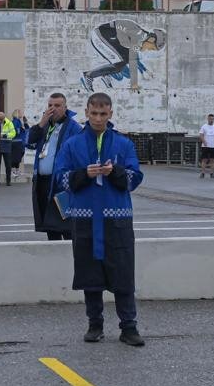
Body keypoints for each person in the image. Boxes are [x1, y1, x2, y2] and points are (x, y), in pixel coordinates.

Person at [54, 91, 145, 346]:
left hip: (117, 221)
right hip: (84, 219)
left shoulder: (123, 144)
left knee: (123, 274)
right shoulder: (72, 144)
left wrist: (114, 171)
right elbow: (60, 178)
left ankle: (129, 327)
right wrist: (84, 173)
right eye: (93, 113)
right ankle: (95, 325)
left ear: (111, 114)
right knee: (89, 274)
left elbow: (135, 178)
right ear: (86, 112)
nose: (98, 118)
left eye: (103, 114)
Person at [29, 91, 84, 240]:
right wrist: (41, 124)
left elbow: (80, 155)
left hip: (61, 185)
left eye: (57, 105)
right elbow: (28, 142)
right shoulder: (45, 126)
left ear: (65, 107)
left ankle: (70, 259)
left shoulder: (74, 128)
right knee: (50, 227)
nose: (53, 108)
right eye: (50, 105)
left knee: (66, 227)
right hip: (43, 182)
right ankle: (54, 258)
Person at [6, 109, 28, 183]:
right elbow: (15, 131)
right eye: (21, 112)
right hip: (16, 142)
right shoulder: (15, 121)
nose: (22, 114)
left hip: (20, 141)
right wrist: (20, 130)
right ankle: (12, 171)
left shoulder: (18, 121)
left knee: (18, 156)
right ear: (17, 114)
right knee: (15, 157)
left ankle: (16, 171)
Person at [197, 114, 214, 178]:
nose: (211, 120)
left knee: (212, 160)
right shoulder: (204, 126)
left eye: (212, 119)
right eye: (210, 119)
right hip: (205, 146)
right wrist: (204, 141)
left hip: (213, 146)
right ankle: (202, 173)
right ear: (208, 119)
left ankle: (212, 173)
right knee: (204, 159)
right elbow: (201, 135)